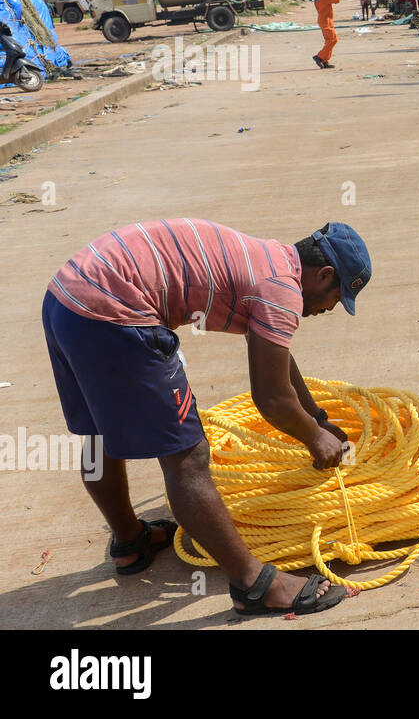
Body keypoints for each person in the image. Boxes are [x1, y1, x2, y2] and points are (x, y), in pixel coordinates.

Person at [42, 219, 372, 615]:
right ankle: (253, 583)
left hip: (69, 298)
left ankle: (130, 542)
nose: (327, 310)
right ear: (325, 275)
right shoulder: (281, 292)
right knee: (189, 458)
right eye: (335, 299)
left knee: (99, 434)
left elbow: (275, 360)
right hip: (116, 314)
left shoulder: (266, 259)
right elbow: (271, 398)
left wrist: (315, 417)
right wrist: (315, 438)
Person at [312, 0, 340, 69]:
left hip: (324, 18)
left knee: (329, 41)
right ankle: (319, 57)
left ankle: (325, 60)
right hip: (325, 20)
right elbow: (336, 0)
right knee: (333, 40)